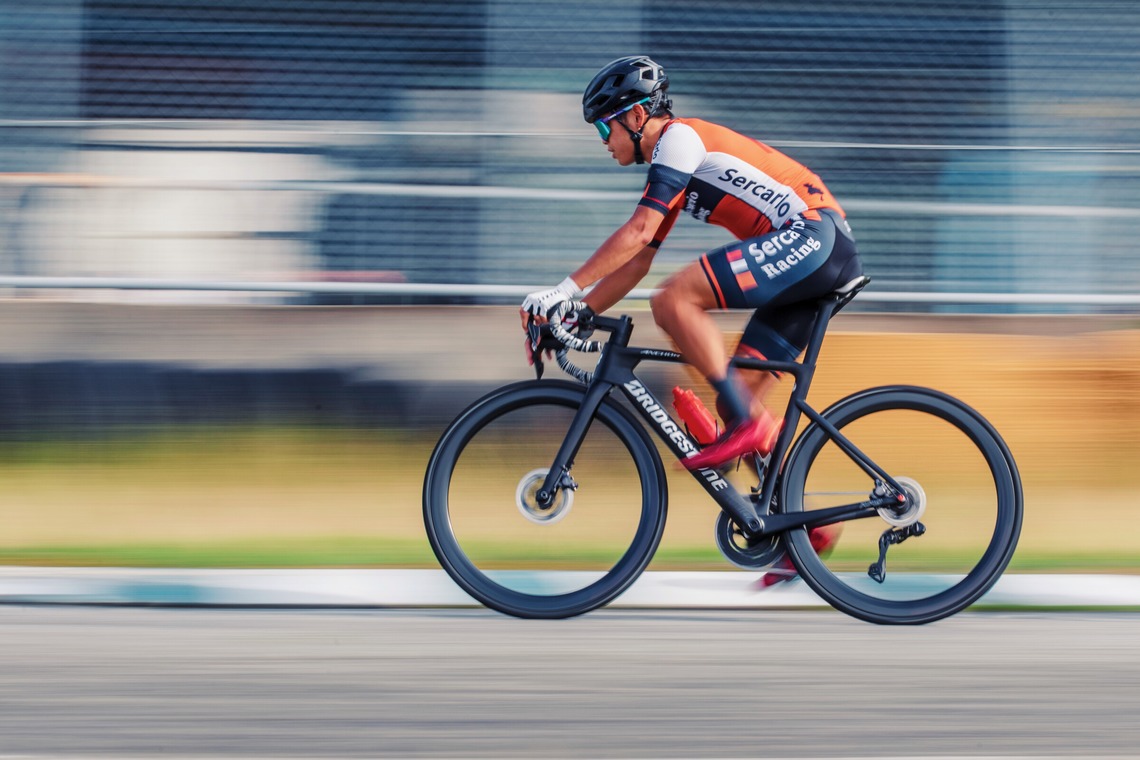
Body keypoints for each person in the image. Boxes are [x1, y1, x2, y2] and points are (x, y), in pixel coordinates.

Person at [521, 55, 863, 473]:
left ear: (637, 116)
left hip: (813, 237)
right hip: (819, 253)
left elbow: (639, 231)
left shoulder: (678, 139)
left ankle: (750, 427)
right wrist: (580, 312)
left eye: (605, 127)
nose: (604, 141)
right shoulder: (674, 163)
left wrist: (562, 292)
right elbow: (638, 261)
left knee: (673, 299)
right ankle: (793, 507)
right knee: (735, 401)